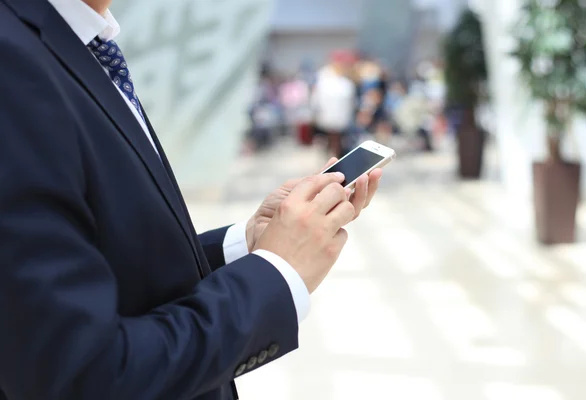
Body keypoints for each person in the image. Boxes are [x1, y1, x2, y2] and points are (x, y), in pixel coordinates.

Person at [0, 1, 383, 400]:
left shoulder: (78, 42)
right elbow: (83, 376)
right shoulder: (14, 59)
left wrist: (249, 245)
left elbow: (110, 267)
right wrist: (275, 271)